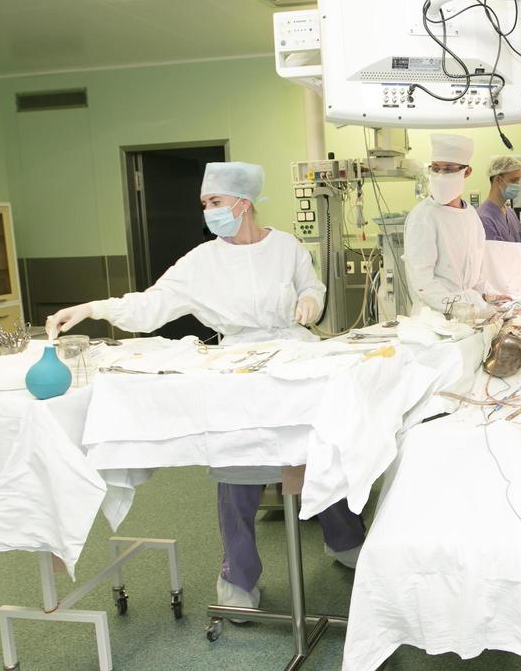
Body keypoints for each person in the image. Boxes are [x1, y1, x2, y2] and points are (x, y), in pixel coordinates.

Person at [44, 161, 368, 616]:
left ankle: (346, 539)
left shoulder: (287, 246)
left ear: (244, 202)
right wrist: (93, 307)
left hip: (295, 355)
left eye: (216, 202)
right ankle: (237, 573)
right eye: (206, 204)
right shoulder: (203, 261)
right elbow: (150, 305)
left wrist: (311, 301)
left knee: (317, 448)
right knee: (236, 465)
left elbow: (309, 285)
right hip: (236, 364)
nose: (210, 212)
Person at [402, 134, 494, 323]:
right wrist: (461, 305)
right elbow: (423, 283)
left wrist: (485, 298)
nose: (440, 175)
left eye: (448, 169)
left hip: (469, 316)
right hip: (435, 319)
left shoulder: (471, 216)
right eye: (436, 168)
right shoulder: (424, 217)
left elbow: (476, 271)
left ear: (467, 172)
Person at [479, 154, 521, 243]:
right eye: (514, 181)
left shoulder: (510, 212)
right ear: (498, 180)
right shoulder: (484, 218)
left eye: (518, 181)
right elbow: (494, 255)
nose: (517, 185)